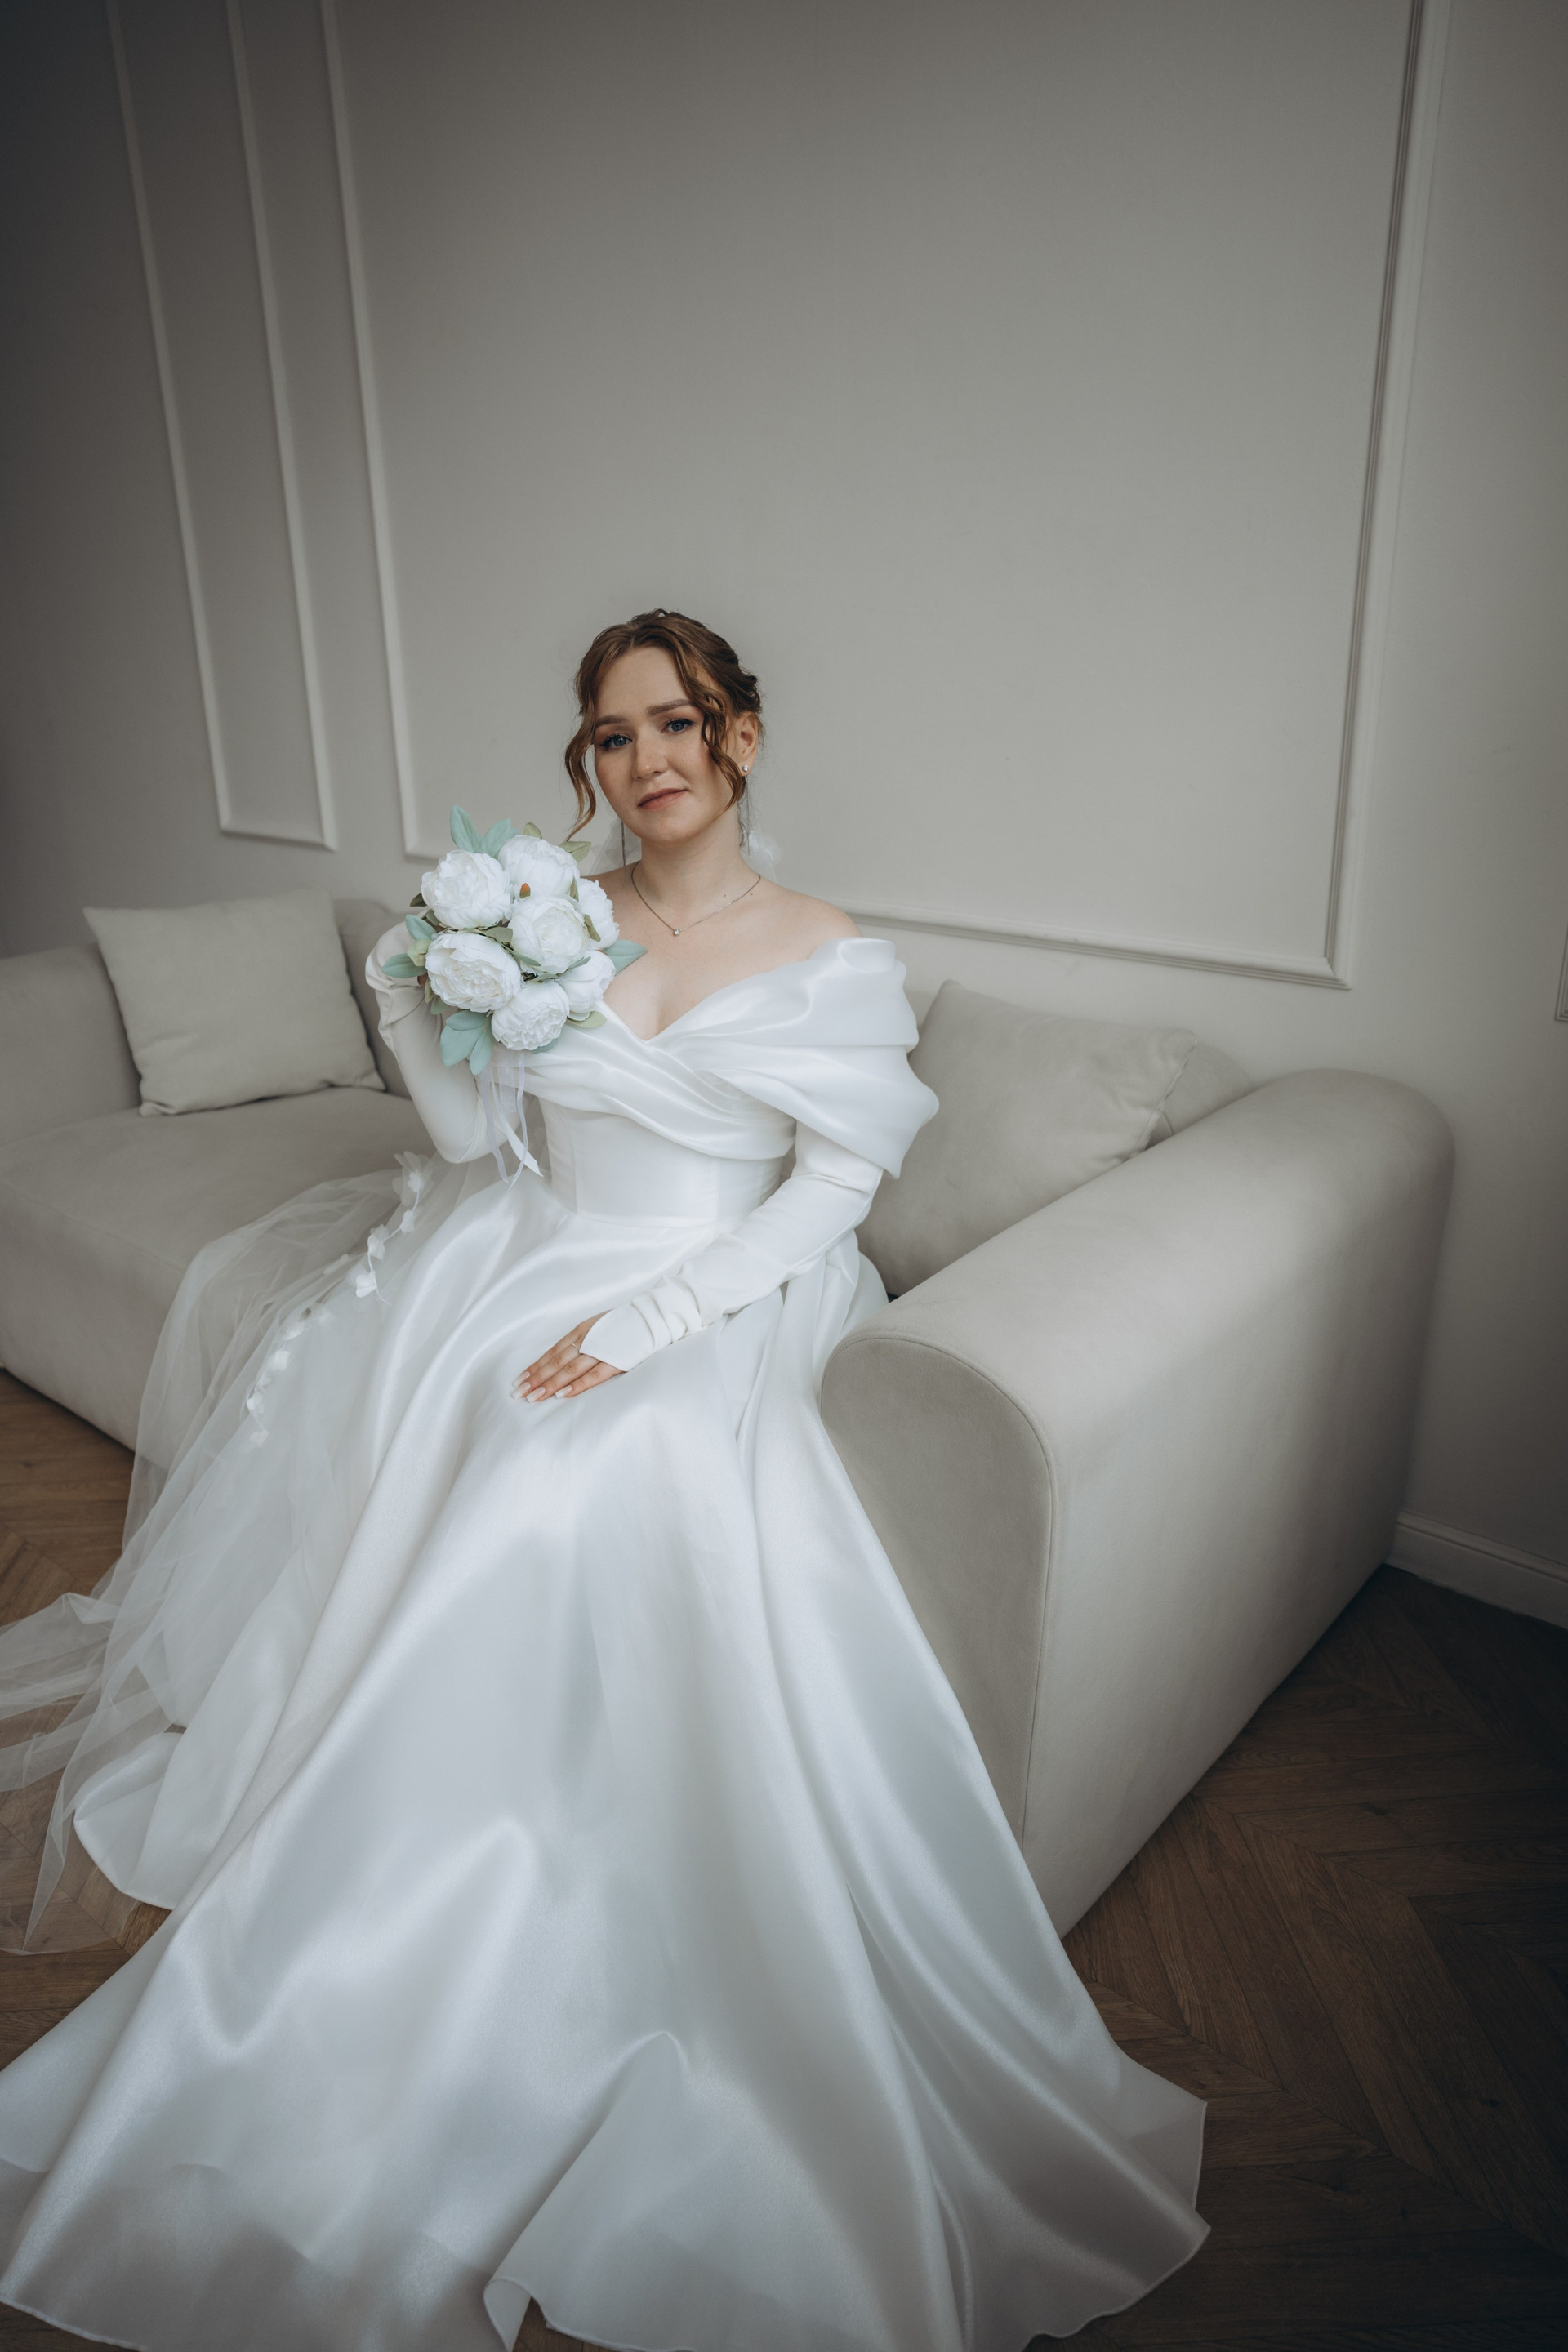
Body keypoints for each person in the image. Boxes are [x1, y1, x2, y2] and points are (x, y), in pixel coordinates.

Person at [0, 612, 1206, 2351]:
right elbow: (477, 1144)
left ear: (741, 738)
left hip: (728, 1285)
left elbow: (832, 1192)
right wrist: (413, 1003)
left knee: (604, 1459)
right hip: (527, 1247)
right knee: (474, 1401)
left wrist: (657, 1319)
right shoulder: (548, 916)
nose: (647, 761)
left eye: (678, 723)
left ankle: (563, 1889)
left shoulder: (828, 950)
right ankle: (413, 1837)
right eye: (614, 734)